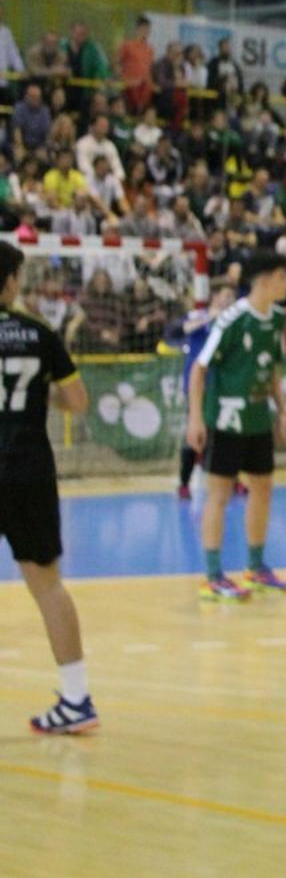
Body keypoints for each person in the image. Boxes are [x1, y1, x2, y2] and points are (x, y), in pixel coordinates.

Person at [0, 241, 97, 733]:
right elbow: (77, 401)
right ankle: (76, 700)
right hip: (28, 471)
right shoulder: (39, 332)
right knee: (48, 587)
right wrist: (43, 397)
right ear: (10, 281)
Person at [184, 253, 286, 601]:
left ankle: (255, 568)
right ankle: (213, 576)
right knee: (220, 495)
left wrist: (282, 411)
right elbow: (199, 369)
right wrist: (195, 419)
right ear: (264, 280)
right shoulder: (232, 319)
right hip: (226, 420)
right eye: (283, 276)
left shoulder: (277, 319)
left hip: (258, 418)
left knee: (263, 489)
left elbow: (273, 369)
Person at [177, 283, 237, 499]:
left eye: (232, 296)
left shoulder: (233, 322)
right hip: (199, 386)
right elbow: (179, 330)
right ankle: (184, 483)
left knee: (228, 434)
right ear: (215, 297)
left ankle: (233, 480)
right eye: (226, 294)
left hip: (224, 386)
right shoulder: (199, 315)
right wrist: (209, 317)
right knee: (195, 433)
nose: (229, 300)